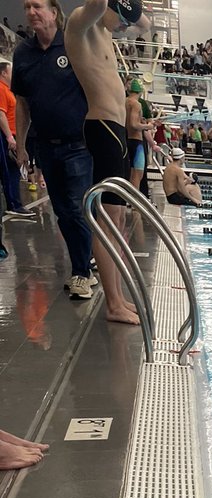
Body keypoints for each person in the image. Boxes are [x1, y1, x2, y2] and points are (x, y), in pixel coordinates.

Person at [65, 0, 151, 325]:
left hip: (116, 132)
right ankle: (113, 304)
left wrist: (129, 10)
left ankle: (117, 297)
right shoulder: (82, 23)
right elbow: (99, 5)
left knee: (117, 219)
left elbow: (143, 24)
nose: (125, 28)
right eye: (122, 20)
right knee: (108, 221)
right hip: (102, 128)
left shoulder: (106, 29)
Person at [11, 0, 96, 299]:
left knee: (76, 208)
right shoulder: (23, 52)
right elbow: (22, 104)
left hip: (78, 145)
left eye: (37, 6)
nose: (30, 12)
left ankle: (82, 272)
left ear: (54, 12)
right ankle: (84, 264)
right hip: (45, 146)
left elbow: (95, 87)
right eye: (27, 7)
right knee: (62, 212)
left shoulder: (73, 42)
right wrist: (21, 145)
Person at [0, 57, 29, 214]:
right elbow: (1, 114)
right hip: (7, 135)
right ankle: (14, 204)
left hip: (13, 134)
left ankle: (15, 203)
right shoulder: (1, 89)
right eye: (11, 72)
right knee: (10, 170)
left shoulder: (9, 90)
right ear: (4, 73)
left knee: (14, 170)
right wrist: (9, 137)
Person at [124, 76, 150, 191]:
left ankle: (125, 198)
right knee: (137, 174)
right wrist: (147, 126)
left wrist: (141, 120)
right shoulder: (136, 104)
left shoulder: (124, 101)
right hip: (136, 142)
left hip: (125, 139)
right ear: (141, 90)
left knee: (127, 173)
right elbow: (134, 124)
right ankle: (133, 200)